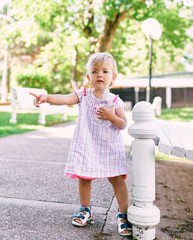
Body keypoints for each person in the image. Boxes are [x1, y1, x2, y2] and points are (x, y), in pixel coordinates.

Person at [30, 52, 132, 237]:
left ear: (113, 77)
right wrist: (47, 97)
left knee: (117, 179)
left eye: (105, 71)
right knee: (84, 177)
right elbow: (64, 99)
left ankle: (123, 215)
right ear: (88, 77)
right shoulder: (84, 95)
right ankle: (85, 209)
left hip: (109, 148)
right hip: (88, 145)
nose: (99, 74)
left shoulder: (115, 101)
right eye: (94, 71)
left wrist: (111, 116)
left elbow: (123, 124)